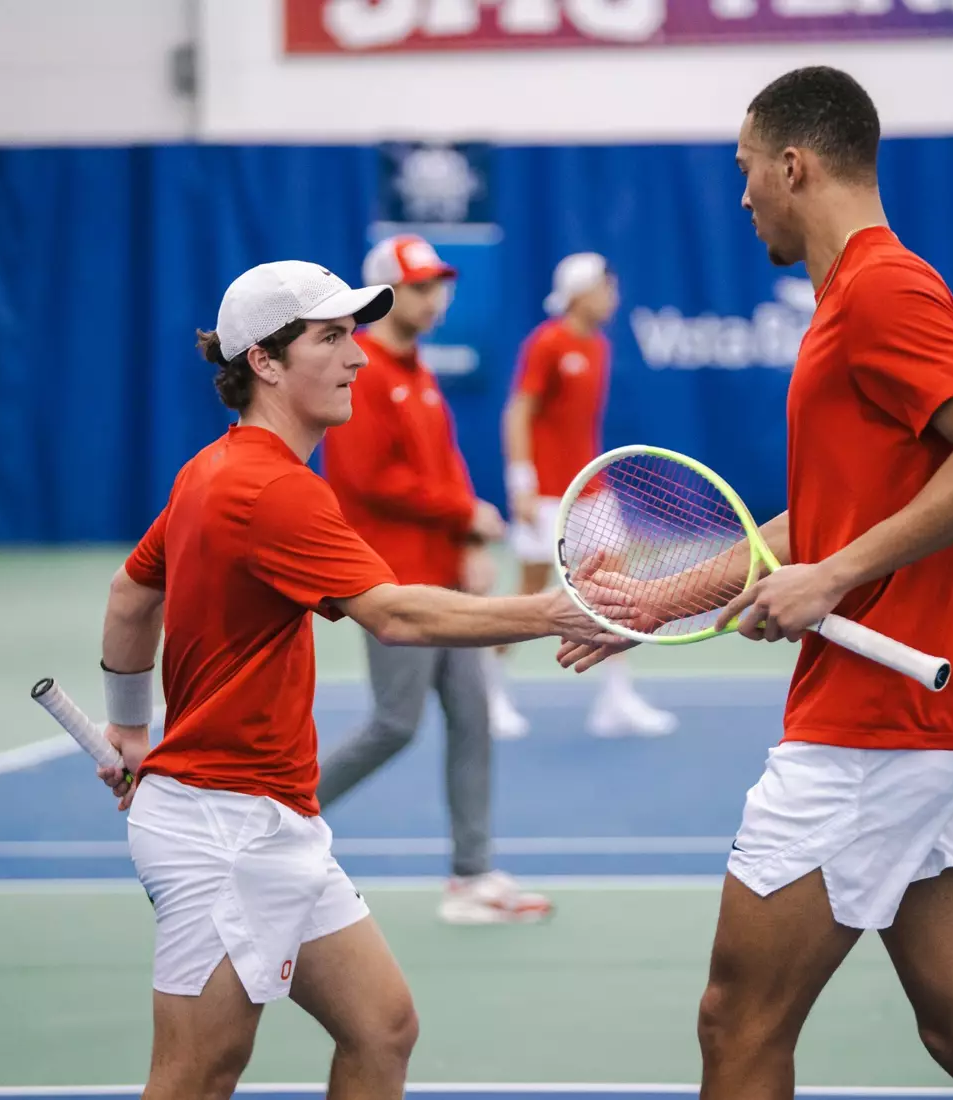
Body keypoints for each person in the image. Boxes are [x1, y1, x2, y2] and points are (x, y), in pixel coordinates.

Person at [559, 67, 953, 1100]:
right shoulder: (852, 298)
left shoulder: (883, 289)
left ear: (794, 164)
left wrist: (834, 577)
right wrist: (666, 600)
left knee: (737, 1019)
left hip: (876, 727)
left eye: (747, 169)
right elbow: (824, 518)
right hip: (944, 718)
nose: (742, 194)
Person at [96, 260, 625, 1100]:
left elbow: (131, 596)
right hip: (225, 830)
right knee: (197, 1075)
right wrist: (554, 612)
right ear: (264, 362)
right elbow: (397, 617)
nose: (358, 357)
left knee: (381, 1028)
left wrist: (128, 727)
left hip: (274, 821)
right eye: (332, 337)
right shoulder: (272, 489)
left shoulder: (210, 470)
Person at [318, 234, 551, 924]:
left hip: (442, 582)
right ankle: (275, 818)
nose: (435, 298)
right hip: (390, 588)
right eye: (420, 287)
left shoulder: (416, 370)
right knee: (395, 724)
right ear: (385, 295)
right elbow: (370, 479)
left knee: (474, 719)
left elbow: (441, 464)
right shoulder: (358, 369)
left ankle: (471, 878)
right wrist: (467, 512)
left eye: (437, 285)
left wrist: (465, 541)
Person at [491, 252, 677, 740]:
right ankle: (490, 695)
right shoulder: (547, 343)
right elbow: (518, 413)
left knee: (614, 597)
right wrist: (522, 486)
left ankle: (616, 701)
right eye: (605, 288)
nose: (613, 297)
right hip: (546, 497)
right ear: (579, 293)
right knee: (528, 594)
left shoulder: (598, 345)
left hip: (593, 493)